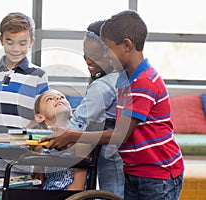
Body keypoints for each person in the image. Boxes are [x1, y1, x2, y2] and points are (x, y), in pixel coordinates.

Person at [40, 10, 184, 199]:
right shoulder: (125, 80)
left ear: (126, 45)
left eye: (108, 49)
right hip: (135, 171)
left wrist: (72, 135)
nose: (106, 56)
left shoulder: (143, 82)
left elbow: (120, 135)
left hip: (157, 173)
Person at [0, 12, 49, 176]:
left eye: (22, 43)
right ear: (1, 40)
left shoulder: (38, 75)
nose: (16, 49)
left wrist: (22, 137)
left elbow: (42, 117)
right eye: (9, 42)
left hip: (21, 160)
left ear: (31, 42)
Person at [67, 20, 124, 198]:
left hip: (115, 162)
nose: (88, 60)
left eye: (95, 56)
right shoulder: (118, 77)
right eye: (85, 53)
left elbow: (78, 126)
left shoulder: (104, 85)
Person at [33, 89, 89, 191]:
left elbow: (78, 186)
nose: (58, 98)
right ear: (39, 117)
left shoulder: (81, 138)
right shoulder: (41, 146)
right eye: (49, 99)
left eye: (62, 97)